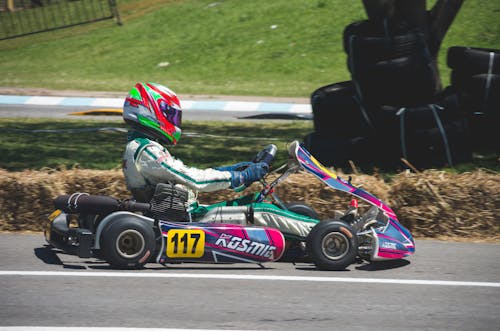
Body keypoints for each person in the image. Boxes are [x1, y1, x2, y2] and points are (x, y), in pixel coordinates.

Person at [121, 82, 319, 240]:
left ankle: (303, 235)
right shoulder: (147, 150)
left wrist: (232, 170)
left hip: (183, 215)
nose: (174, 121)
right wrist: (238, 176)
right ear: (151, 112)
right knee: (263, 212)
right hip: (189, 220)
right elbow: (194, 180)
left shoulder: (141, 147)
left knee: (252, 202)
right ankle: (326, 233)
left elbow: (182, 176)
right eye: (170, 114)